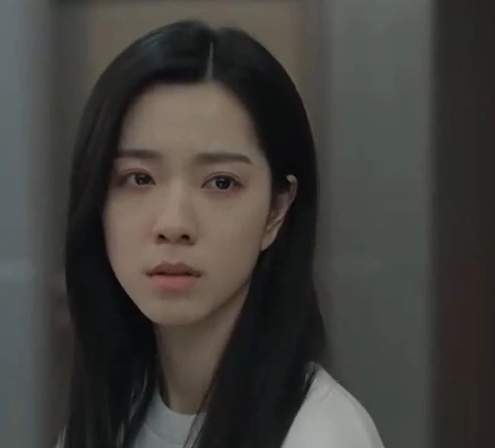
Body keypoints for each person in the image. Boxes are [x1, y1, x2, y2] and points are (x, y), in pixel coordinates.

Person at [60, 20, 384, 448]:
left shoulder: (321, 436)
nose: (173, 224)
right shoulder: (108, 418)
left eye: (221, 182)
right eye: (139, 178)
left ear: (276, 209)